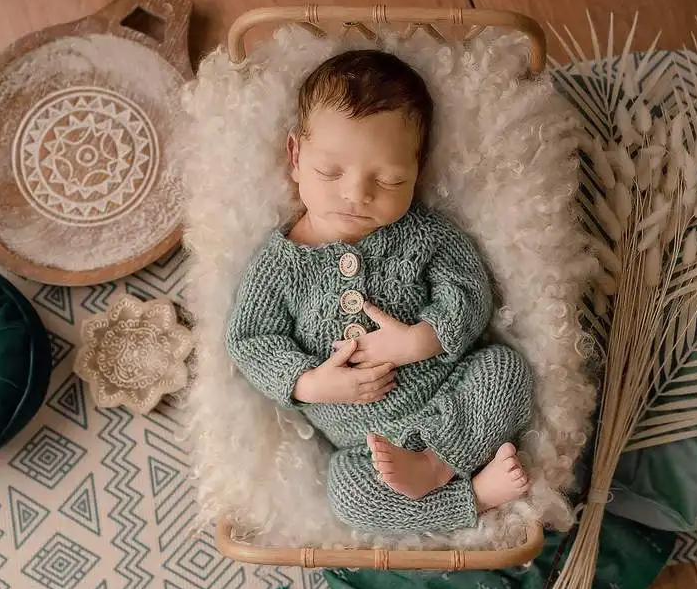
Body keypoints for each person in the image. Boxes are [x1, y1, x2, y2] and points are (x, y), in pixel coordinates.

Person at [226, 49, 533, 534]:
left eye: (389, 180)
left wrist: (422, 340)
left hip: (451, 396)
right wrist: (310, 382)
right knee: (347, 494)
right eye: (331, 172)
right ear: (295, 157)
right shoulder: (278, 266)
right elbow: (250, 341)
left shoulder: (425, 233)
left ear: (418, 170)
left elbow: (468, 288)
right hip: (365, 444)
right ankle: (471, 498)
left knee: (505, 370)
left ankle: (438, 464)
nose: (357, 194)